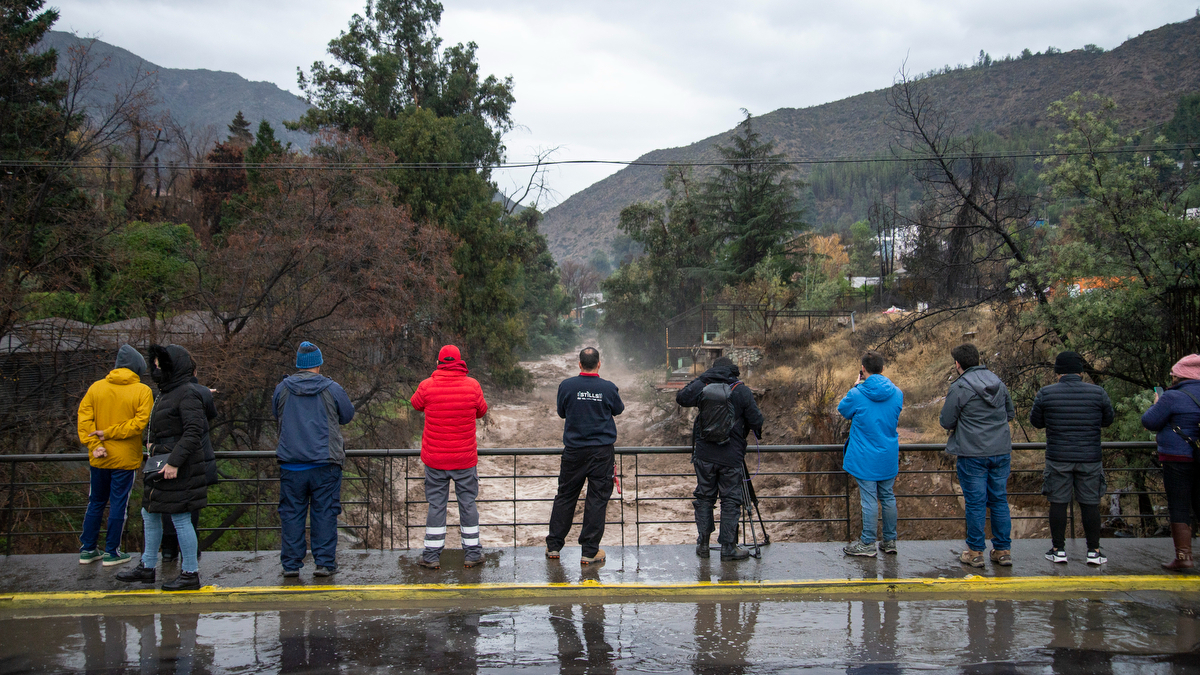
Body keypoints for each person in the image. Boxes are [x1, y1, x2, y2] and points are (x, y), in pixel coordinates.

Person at [116, 345, 216, 590]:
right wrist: (150, 443)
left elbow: (194, 431)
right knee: (149, 513)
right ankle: (148, 566)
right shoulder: (166, 393)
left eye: (161, 365)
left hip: (177, 467)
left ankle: (190, 572)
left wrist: (174, 461)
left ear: (174, 367)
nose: (157, 369)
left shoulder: (186, 393)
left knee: (181, 518)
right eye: (156, 365)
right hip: (160, 464)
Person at [273, 342, 355, 578]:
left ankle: (290, 565)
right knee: (325, 513)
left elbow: (276, 413)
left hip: (291, 464)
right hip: (325, 463)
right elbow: (347, 415)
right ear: (318, 363)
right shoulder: (332, 388)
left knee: (291, 514)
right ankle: (325, 563)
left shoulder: (282, 388)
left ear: (298, 364)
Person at [1030, 350, 1115, 565]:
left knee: (1057, 502)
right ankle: (1093, 551)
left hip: (1058, 456)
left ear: (1058, 372)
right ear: (1081, 372)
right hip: (1089, 457)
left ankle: (1058, 550)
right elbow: (1108, 420)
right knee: (1090, 503)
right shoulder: (1098, 393)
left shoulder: (1046, 393)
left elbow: (1036, 422)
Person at [677, 356, 764, 562]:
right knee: (731, 499)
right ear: (733, 371)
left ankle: (704, 544)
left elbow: (682, 397)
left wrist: (702, 377)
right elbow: (757, 420)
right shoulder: (741, 390)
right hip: (731, 455)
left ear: (712, 371)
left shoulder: (704, 385)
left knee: (705, 497)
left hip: (705, 454)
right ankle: (728, 547)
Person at [410, 345, 489, 569]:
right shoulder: (472, 385)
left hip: (435, 460)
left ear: (439, 363)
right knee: (467, 504)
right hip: (464, 460)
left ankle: (431, 556)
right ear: (459, 362)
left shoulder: (427, 386)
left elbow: (415, 404)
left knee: (436, 506)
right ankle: (473, 553)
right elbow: (481, 411)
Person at [545, 347, 625, 565]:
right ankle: (589, 551)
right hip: (601, 453)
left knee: (565, 496)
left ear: (579, 364)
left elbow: (562, 412)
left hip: (574, 451)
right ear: (599, 364)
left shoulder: (567, 386)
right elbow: (618, 410)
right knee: (597, 500)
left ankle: (554, 546)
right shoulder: (608, 388)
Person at [939, 343, 1015, 568]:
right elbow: (1009, 413)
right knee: (999, 499)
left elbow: (946, 421)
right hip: (1001, 451)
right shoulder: (998, 383)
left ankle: (975, 552)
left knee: (975, 502)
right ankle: (1002, 551)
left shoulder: (960, 387)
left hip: (972, 453)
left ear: (957, 364)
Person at [76, 345, 154, 567]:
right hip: (125, 458)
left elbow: (84, 420)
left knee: (96, 502)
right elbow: (139, 424)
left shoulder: (96, 388)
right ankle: (112, 551)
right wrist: (111, 433)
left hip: (99, 457)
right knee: (119, 503)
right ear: (138, 368)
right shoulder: (142, 391)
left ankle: (88, 549)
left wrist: (95, 444)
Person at [838, 350, 904, 557]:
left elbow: (843, 410)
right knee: (887, 497)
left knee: (868, 500)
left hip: (864, 456)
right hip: (888, 454)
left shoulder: (857, 393)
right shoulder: (897, 393)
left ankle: (867, 543)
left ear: (863, 369)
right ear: (883, 369)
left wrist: (856, 385)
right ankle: (890, 540)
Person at [1141, 353, 1200, 571]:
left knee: (1179, 504)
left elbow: (1150, 421)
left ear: (1180, 375)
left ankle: (1184, 558)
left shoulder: (1172, 397)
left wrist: (1157, 403)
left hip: (1177, 457)